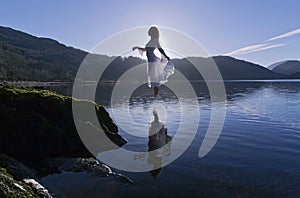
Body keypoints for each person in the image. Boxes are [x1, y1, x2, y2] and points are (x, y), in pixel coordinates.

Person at [132, 26, 171, 96]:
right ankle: (155, 93)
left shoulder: (155, 40)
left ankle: (156, 93)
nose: (148, 32)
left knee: (154, 75)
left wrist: (165, 56)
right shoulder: (150, 41)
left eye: (149, 31)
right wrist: (137, 47)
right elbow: (145, 49)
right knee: (152, 76)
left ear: (153, 32)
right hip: (150, 60)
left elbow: (160, 49)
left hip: (153, 59)